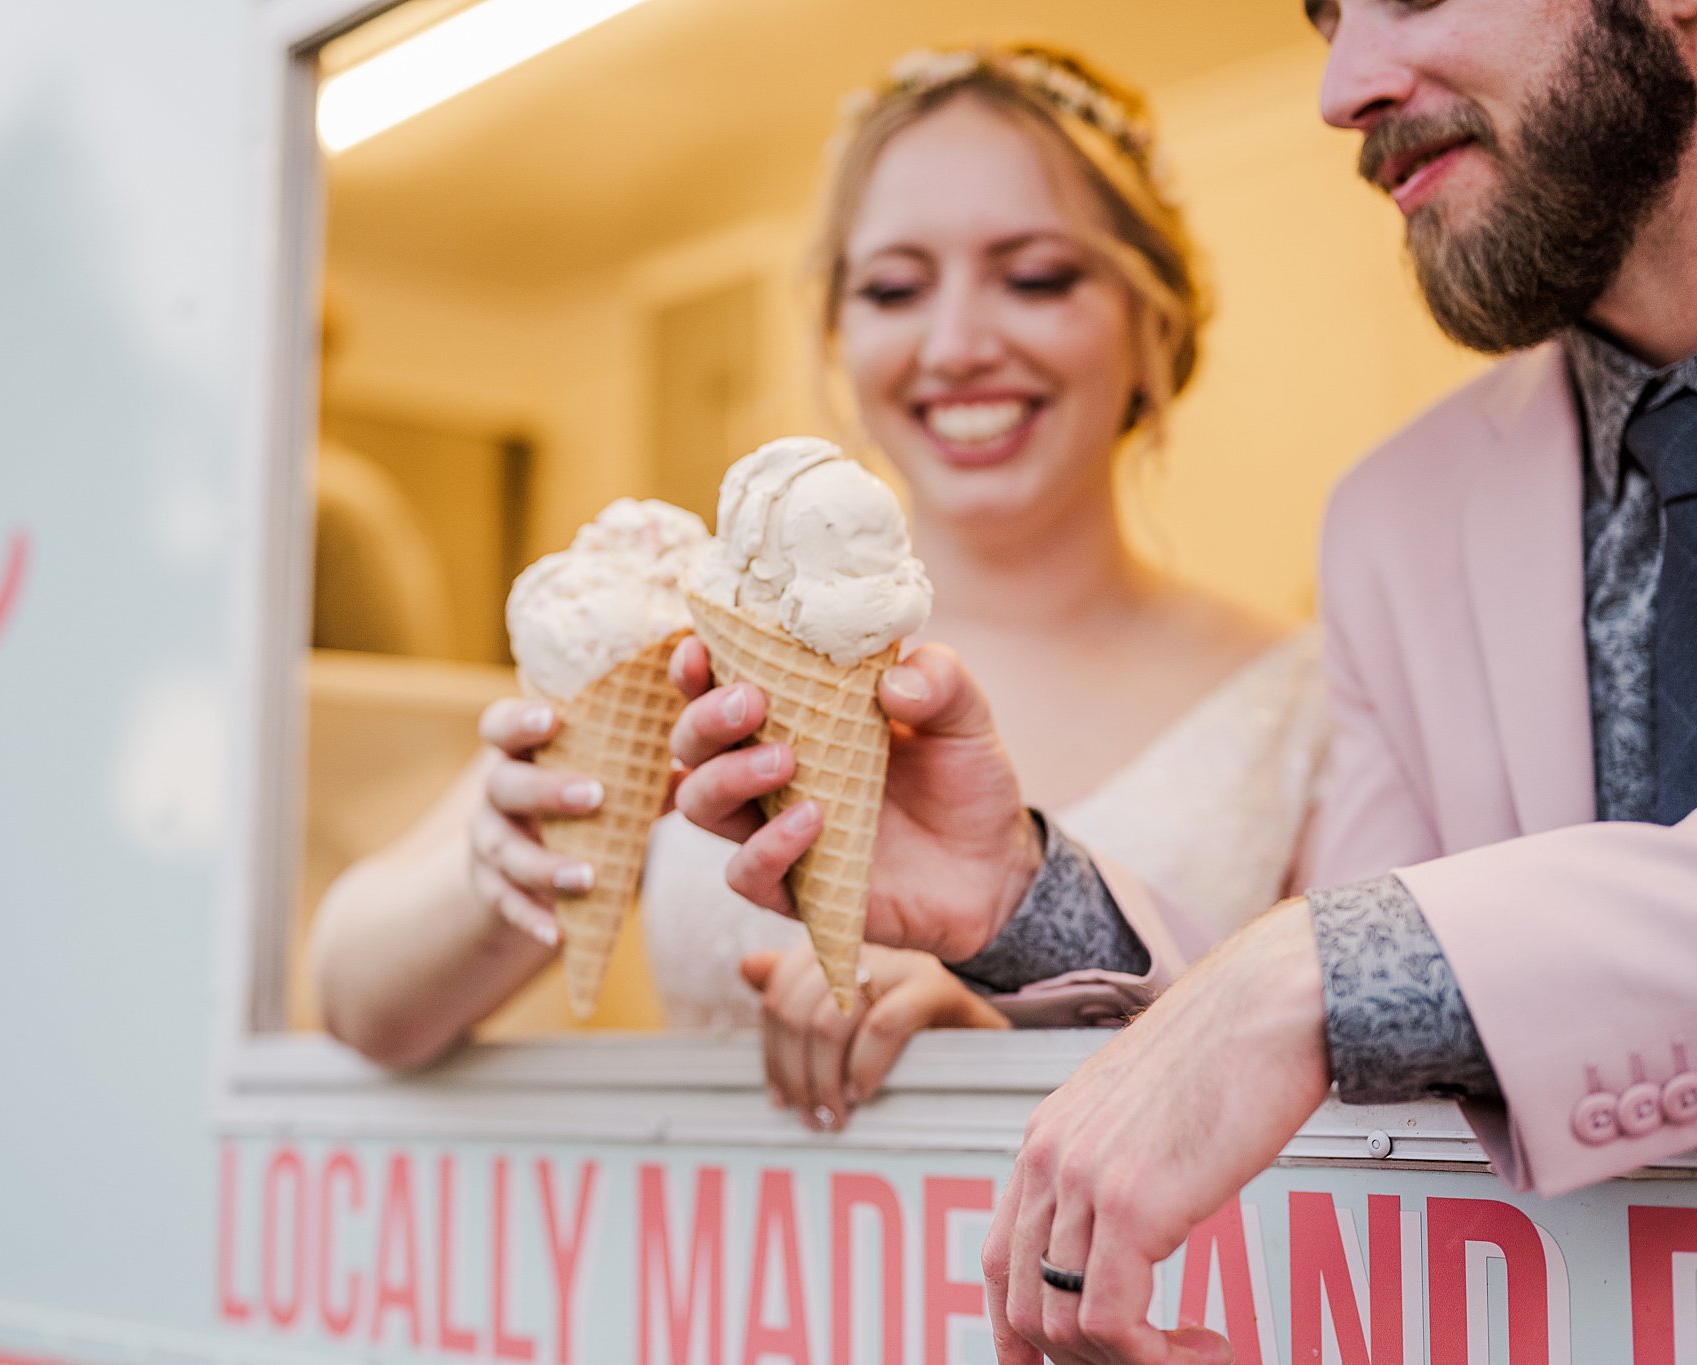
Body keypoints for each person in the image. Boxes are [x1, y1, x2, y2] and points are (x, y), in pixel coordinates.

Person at [676, 0, 1697, 1359]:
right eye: (1328, 15)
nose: (1341, 87)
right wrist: (1027, 906)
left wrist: (1317, 967)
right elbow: (1365, 1080)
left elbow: (1329, 980)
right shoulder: (1397, 520)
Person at [311, 47, 1330, 1114]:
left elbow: (1380, 1109)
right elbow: (355, 998)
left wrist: (1013, 1030)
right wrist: (503, 866)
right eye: (892, 288)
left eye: (1034, 277)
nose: (955, 343)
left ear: (1151, 316)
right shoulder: (691, 635)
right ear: (839, 334)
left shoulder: (1302, 700)